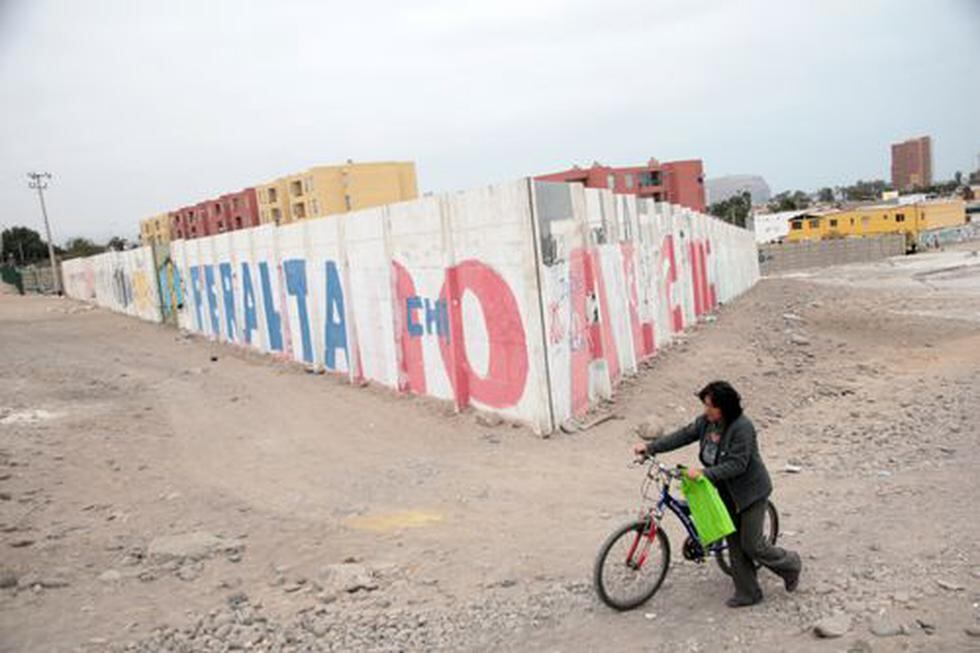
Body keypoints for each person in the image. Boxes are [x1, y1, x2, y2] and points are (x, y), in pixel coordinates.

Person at [633, 380, 802, 607]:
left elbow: (737, 465)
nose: (706, 410)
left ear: (724, 407)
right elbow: (683, 435)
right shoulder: (707, 422)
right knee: (734, 543)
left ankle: (791, 564)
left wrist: (704, 473)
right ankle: (748, 592)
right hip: (724, 492)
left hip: (750, 493)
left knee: (752, 544)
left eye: (710, 406)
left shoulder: (742, 428)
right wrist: (651, 447)